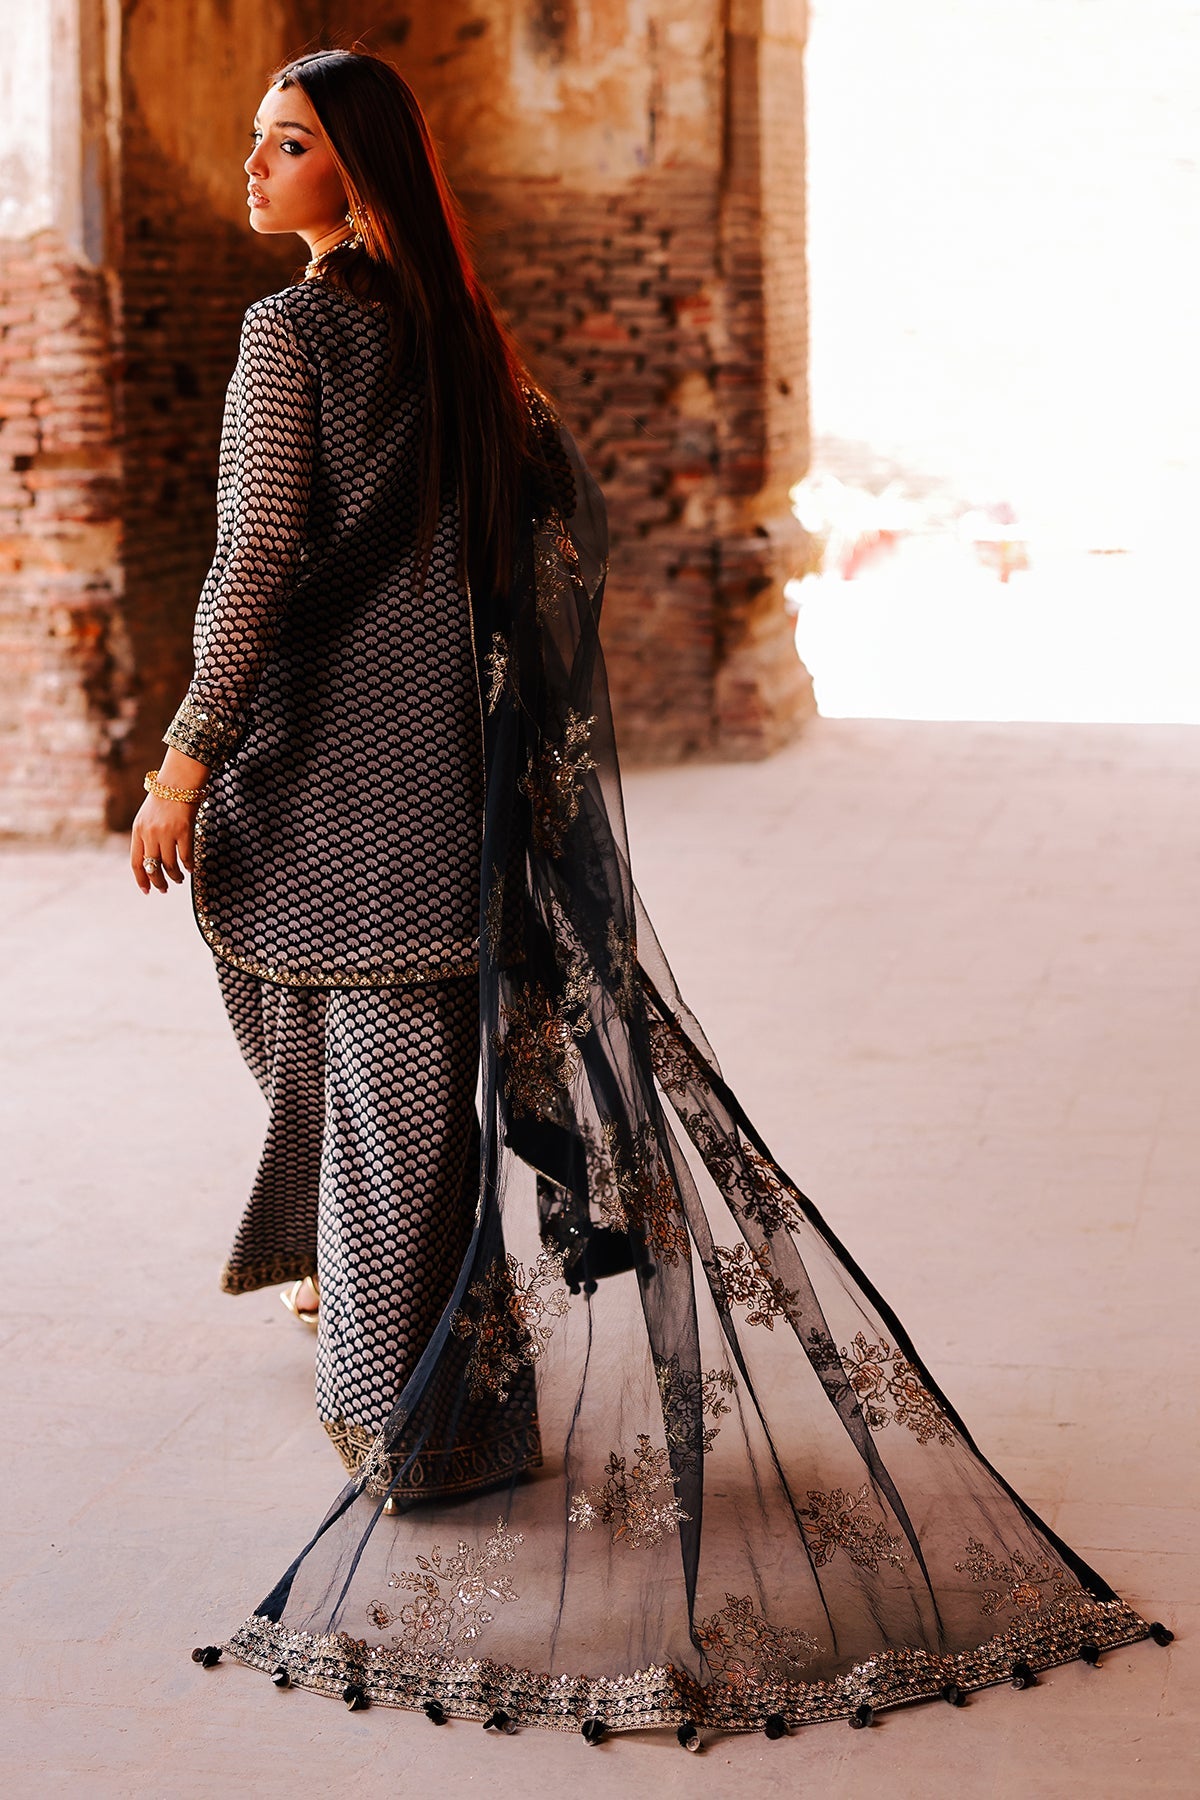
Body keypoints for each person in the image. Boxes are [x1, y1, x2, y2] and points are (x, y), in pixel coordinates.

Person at [134, 46, 1167, 1746]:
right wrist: (490, 708)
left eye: (288, 144)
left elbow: (251, 561)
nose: (255, 168)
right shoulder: (468, 343)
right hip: (455, 787)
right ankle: (414, 1362)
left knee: (374, 1089)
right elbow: (567, 537)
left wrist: (187, 756)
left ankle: (407, 1426)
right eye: (253, 139)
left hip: (326, 774)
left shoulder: (290, 335)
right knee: (398, 1088)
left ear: (358, 175)